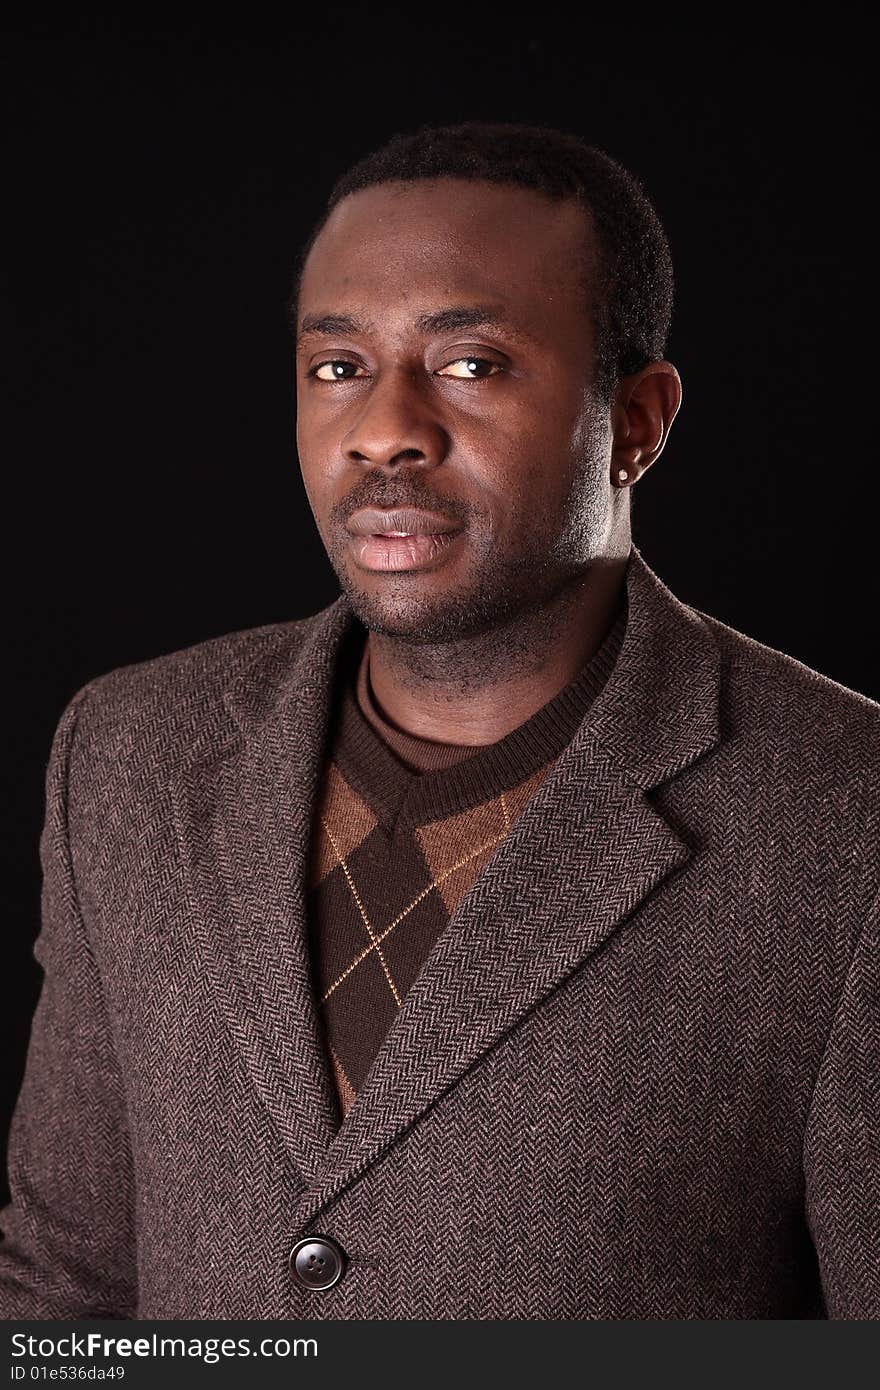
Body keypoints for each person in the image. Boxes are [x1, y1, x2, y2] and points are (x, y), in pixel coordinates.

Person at [1, 121, 877, 1322]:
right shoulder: (126, 753)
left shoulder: (847, 818)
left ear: (636, 423)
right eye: (337, 367)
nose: (384, 428)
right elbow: (60, 1287)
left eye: (470, 363)